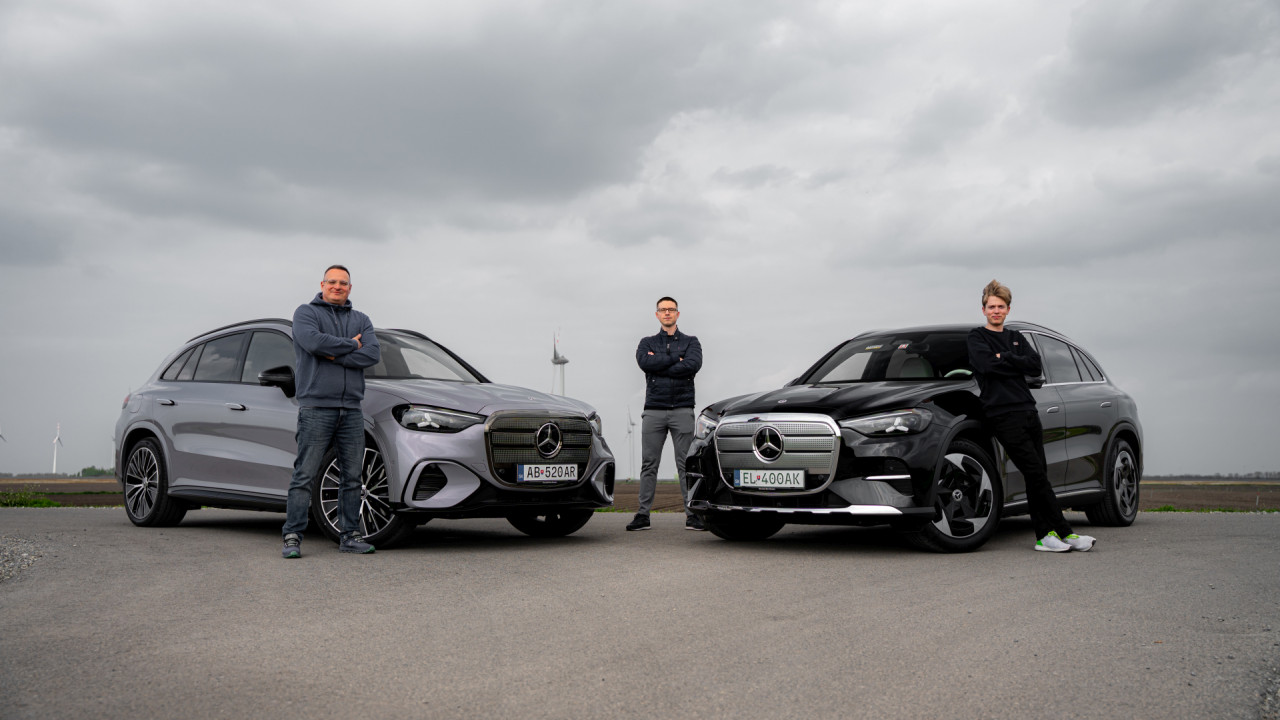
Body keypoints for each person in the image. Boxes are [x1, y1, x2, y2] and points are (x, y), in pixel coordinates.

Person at [966, 279, 1095, 553]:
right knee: (1035, 474)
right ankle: (1065, 532)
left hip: (1028, 410)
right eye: (992, 307)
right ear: (983, 310)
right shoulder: (977, 338)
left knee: (1038, 475)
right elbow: (986, 366)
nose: (996, 311)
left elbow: (1035, 366)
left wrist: (1004, 357)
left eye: (1001, 307)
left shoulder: (1015, 336)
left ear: (1008, 309)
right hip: (1002, 415)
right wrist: (1015, 361)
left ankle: (1044, 536)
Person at [281, 265, 381, 558]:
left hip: (351, 409)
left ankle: (349, 536)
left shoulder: (361, 319)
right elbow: (313, 342)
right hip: (316, 407)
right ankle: (292, 537)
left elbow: (372, 353)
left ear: (350, 288)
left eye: (343, 283)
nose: (338, 286)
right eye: (332, 282)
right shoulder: (305, 313)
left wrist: (333, 355)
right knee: (305, 474)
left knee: (352, 477)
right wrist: (351, 345)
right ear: (322, 284)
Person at [628, 296, 704, 531]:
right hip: (654, 410)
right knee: (649, 464)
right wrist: (673, 359)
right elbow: (644, 363)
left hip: (682, 409)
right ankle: (643, 515)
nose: (667, 313)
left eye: (671, 309)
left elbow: (692, 365)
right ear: (657, 314)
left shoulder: (692, 342)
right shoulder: (646, 342)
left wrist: (659, 364)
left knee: (686, 465)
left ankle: (692, 514)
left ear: (677, 314)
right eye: (663, 310)